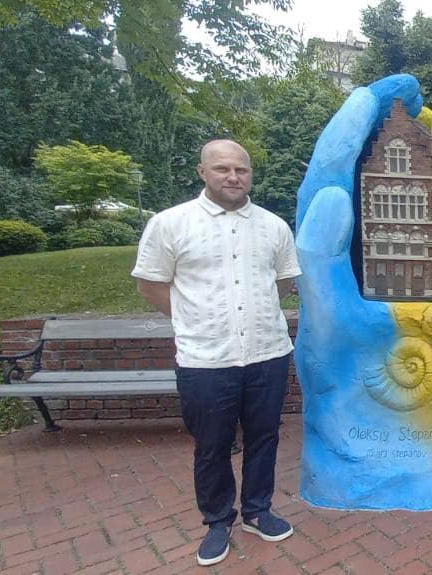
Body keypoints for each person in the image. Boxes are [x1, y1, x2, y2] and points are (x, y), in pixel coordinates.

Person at [132, 139, 300, 566]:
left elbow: (282, 283)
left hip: (266, 352)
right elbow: (150, 284)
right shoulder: (170, 224)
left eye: (241, 169)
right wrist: (194, 318)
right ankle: (218, 521)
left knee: (264, 436)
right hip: (205, 358)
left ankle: (257, 510)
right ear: (202, 171)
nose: (233, 177)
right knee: (212, 444)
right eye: (223, 168)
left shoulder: (273, 226)